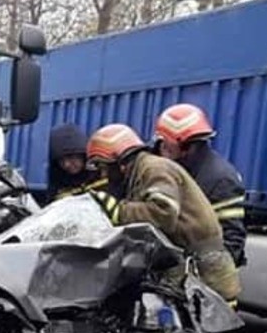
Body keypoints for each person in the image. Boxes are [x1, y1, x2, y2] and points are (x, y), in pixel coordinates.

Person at [85, 123, 241, 304]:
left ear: (121, 163)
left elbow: (163, 214)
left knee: (206, 329)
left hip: (205, 272)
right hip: (190, 266)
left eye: (104, 167)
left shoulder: (154, 169)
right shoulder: (139, 173)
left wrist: (119, 211)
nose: (103, 175)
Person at [154, 103, 248, 267]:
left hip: (199, 273)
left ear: (184, 146)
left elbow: (231, 239)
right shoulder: (176, 167)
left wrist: (202, 275)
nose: (161, 149)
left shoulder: (221, 180)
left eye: (164, 144)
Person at [46, 123, 103, 202]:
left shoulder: (103, 177)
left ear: (83, 155)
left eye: (71, 157)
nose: (66, 164)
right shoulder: (57, 186)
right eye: (61, 161)